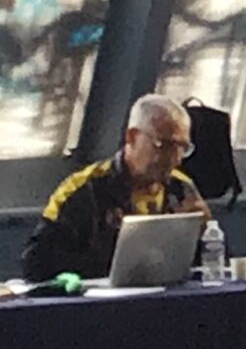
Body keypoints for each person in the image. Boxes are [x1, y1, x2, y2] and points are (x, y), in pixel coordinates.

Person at [21, 93, 209, 281]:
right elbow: (36, 265)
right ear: (132, 137)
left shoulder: (182, 188)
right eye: (164, 145)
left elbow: (210, 265)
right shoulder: (83, 190)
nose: (175, 159)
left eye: (182, 148)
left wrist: (201, 234)